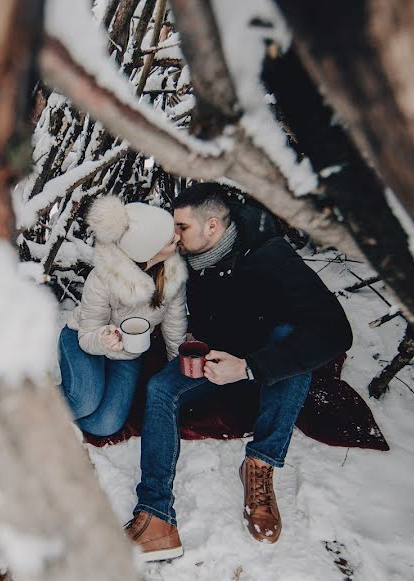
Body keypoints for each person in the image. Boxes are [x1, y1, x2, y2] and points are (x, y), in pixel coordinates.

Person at [125, 183, 353, 561]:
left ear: (212, 226)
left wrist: (248, 367)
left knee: (293, 342)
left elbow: (335, 332)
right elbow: (128, 281)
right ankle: (156, 516)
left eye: (181, 227)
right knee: (160, 390)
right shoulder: (185, 253)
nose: (173, 234)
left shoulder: (270, 256)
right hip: (211, 356)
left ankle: (260, 465)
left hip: (263, 363)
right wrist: (153, 262)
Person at [58, 195, 188, 437]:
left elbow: (174, 323)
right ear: (149, 251)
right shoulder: (103, 277)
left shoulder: (173, 273)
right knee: (84, 401)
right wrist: (104, 339)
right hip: (85, 338)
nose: (178, 237)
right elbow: (87, 336)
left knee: (104, 425)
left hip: (129, 351)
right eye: (169, 239)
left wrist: (176, 369)